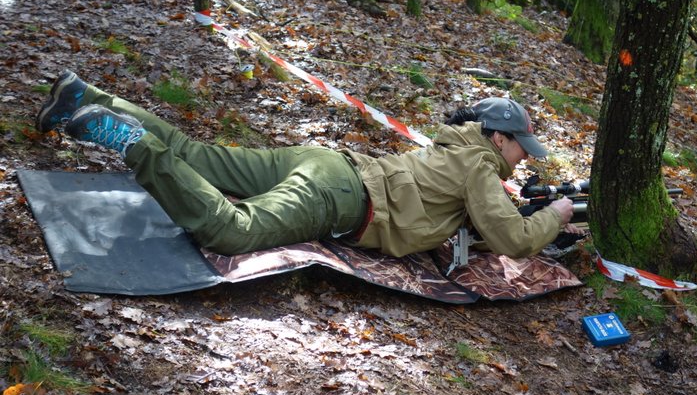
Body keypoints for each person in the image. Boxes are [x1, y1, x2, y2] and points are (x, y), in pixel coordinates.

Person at [36, 70, 576, 258]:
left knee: (196, 156)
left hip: (326, 164)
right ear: (498, 138)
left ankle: (87, 97)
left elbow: (472, 220)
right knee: (232, 230)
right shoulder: (480, 167)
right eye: (520, 147)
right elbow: (512, 239)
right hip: (340, 197)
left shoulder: (454, 147)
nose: (522, 158)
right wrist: (555, 217)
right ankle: (129, 141)